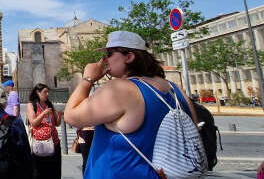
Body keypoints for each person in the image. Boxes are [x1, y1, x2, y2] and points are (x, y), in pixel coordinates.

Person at [64, 30, 198, 179]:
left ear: (129, 57)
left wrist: (87, 79)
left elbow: (70, 116)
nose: (105, 59)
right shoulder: (175, 89)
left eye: (109, 54)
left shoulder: (120, 89)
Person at [27, 83, 63, 179]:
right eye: (45, 92)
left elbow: (57, 123)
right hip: (40, 143)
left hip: (54, 142)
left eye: (48, 92)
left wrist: (59, 116)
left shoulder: (49, 104)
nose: (47, 94)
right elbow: (33, 123)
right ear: (38, 92)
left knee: (54, 171)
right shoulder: (32, 105)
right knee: (40, 171)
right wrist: (43, 114)